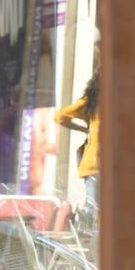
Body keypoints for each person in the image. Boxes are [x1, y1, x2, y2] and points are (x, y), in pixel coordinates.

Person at [55, 66, 99, 216]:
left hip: (93, 164)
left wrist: (84, 129)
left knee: (93, 209)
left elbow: (60, 116)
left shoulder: (91, 102)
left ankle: (92, 236)